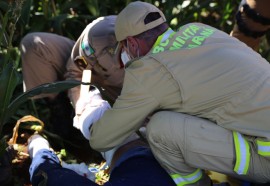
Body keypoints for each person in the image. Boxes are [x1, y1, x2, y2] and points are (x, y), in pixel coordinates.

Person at [84, 1, 270, 185]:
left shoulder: (149, 69)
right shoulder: (199, 29)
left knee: (160, 129)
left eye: (122, 49)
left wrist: (94, 113)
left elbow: (101, 139)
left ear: (131, 43)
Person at [19, 16, 124, 157]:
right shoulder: (100, 33)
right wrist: (81, 111)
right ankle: (61, 118)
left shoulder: (157, 53)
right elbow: (75, 72)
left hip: (124, 93)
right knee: (34, 44)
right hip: (93, 72)